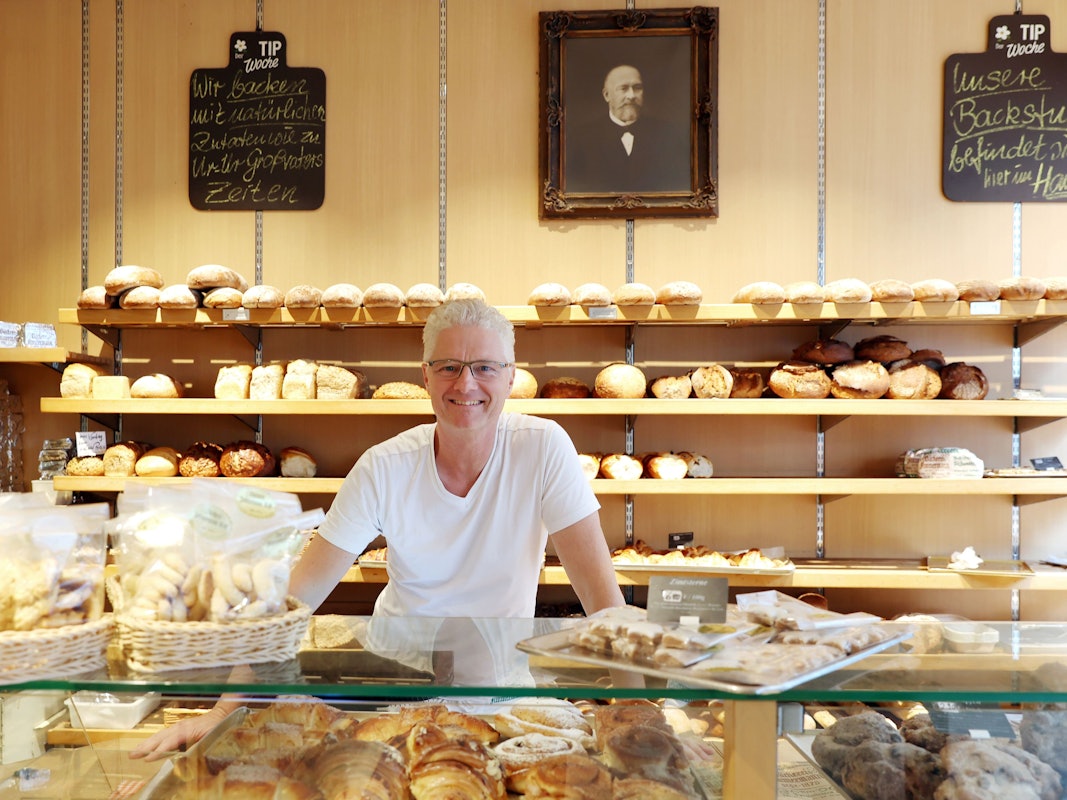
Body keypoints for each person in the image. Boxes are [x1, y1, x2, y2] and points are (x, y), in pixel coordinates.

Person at [130, 297, 626, 760]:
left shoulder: (543, 449)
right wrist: (223, 710)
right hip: (398, 686)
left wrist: (636, 709)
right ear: (426, 376)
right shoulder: (384, 467)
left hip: (500, 689)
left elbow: (602, 601)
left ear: (511, 375)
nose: (466, 384)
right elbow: (296, 600)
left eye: (485, 368)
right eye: (449, 367)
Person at [565, 63, 690, 194]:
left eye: (637, 88)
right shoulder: (581, 137)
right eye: (623, 88)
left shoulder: (668, 133)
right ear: (607, 95)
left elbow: (678, 184)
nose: (631, 95)